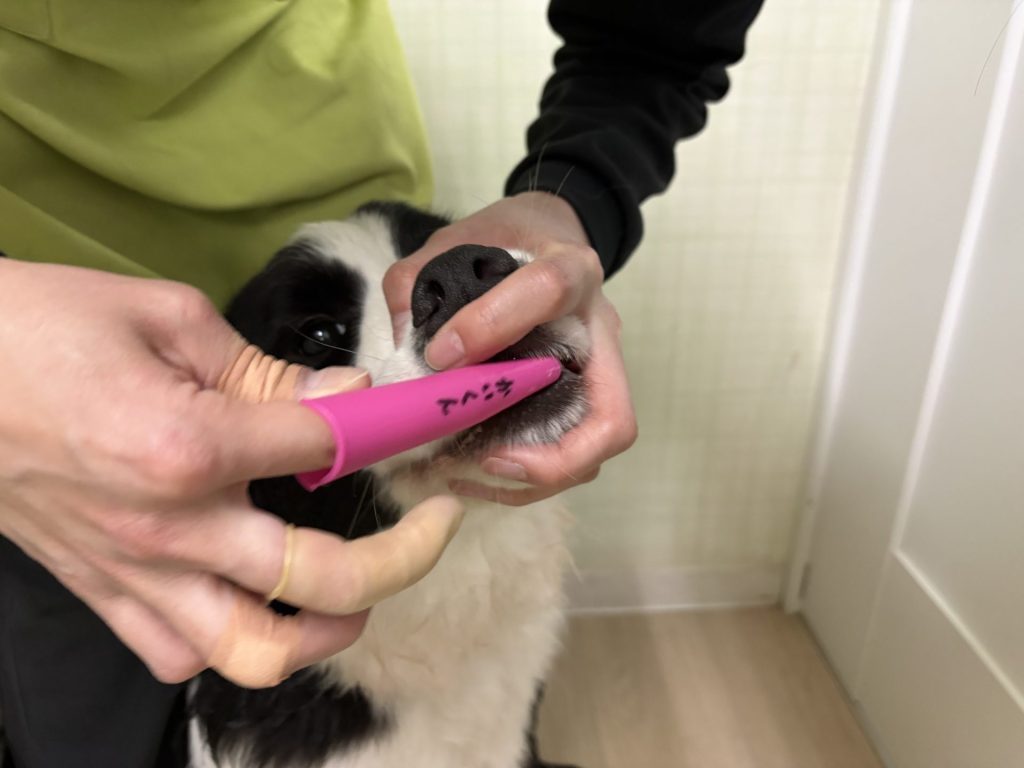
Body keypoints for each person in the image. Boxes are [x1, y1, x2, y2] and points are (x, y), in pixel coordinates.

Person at [0, 0, 764, 765]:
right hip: (43, 357)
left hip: (331, 136)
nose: (459, 284)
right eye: (323, 339)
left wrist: (567, 198)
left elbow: (657, 39)